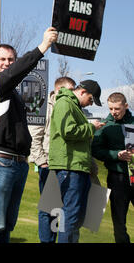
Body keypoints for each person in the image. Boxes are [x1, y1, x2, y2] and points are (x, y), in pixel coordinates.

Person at [0, 27, 58, 243]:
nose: (7, 63)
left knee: (7, 224)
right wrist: (43, 47)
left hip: (18, 163)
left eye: (11, 59)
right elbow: (15, 73)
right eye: (2, 59)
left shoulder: (14, 92)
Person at [48, 80, 105, 243]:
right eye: (91, 99)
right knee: (69, 217)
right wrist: (91, 127)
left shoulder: (73, 106)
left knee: (75, 218)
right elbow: (68, 131)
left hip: (77, 166)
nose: (90, 104)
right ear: (83, 92)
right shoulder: (65, 103)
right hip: (69, 167)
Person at [28, 76, 76, 243]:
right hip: (48, 163)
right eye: (70, 90)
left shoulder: (71, 107)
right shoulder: (43, 106)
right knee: (48, 208)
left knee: (61, 210)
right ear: (57, 90)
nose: (73, 94)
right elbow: (35, 136)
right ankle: (47, 241)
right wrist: (41, 161)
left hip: (66, 164)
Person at [92, 92, 134, 243]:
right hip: (117, 179)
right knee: (119, 223)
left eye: (117, 108)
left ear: (126, 106)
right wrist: (116, 155)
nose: (114, 112)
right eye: (111, 109)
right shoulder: (104, 126)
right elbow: (95, 150)